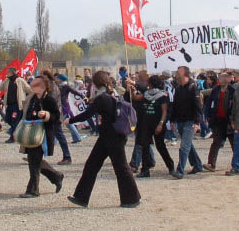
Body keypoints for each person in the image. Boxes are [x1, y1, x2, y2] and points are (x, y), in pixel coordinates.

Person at [65, 71, 141, 208]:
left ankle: (131, 199)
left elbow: (88, 114)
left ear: (95, 83)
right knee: (92, 165)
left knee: (120, 167)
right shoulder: (110, 94)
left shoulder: (101, 98)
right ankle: (81, 197)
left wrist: (70, 120)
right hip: (110, 136)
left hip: (111, 137)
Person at [19, 75, 65, 197]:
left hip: (42, 134)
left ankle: (33, 190)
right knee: (34, 160)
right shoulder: (32, 98)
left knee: (34, 161)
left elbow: (56, 116)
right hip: (30, 133)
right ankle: (56, 176)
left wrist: (46, 115)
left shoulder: (49, 99)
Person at [135, 75, 175, 177]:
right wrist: (131, 89)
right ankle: (145, 170)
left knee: (160, 146)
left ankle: (170, 166)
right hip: (146, 124)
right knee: (145, 146)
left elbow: (164, 111)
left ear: (152, 83)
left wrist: (161, 124)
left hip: (157, 124)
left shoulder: (162, 96)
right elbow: (135, 98)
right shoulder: (146, 94)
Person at [169, 66, 204, 179]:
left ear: (186, 74)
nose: (177, 74)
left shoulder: (193, 87)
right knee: (188, 145)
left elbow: (198, 106)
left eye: (179, 72)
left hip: (190, 121)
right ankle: (197, 165)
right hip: (180, 120)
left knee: (184, 147)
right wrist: (173, 120)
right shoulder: (178, 88)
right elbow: (174, 105)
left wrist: (197, 122)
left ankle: (180, 171)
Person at [204, 71, 234, 171]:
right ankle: (211, 164)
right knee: (216, 142)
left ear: (228, 79)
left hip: (229, 121)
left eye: (222, 78)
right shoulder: (215, 89)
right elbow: (209, 103)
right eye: (220, 77)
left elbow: (235, 106)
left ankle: (237, 164)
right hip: (217, 120)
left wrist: (233, 120)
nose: (220, 79)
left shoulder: (233, 90)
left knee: (234, 143)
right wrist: (207, 115)